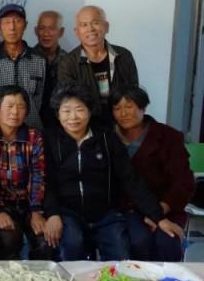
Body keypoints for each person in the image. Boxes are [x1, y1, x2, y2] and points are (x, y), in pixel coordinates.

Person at [42, 85, 184, 261]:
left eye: (79, 110)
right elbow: (45, 181)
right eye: (66, 111)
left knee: (121, 257)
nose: (73, 117)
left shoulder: (106, 138)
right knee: (72, 246)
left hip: (105, 214)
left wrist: (159, 217)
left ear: (89, 111)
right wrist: (52, 213)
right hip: (68, 214)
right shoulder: (49, 140)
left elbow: (130, 179)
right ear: (58, 114)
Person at [112, 86, 194, 261]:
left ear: (143, 107)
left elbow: (183, 181)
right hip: (126, 209)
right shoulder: (108, 138)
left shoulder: (168, 137)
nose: (123, 113)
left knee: (168, 242)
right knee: (139, 242)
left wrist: (159, 211)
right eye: (117, 108)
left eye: (129, 106)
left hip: (165, 206)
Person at [0, 85, 52, 260]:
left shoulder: (33, 137)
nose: (15, 112)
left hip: (28, 203)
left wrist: (36, 211)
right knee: (8, 240)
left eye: (21, 107)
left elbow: (38, 175)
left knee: (44, 241)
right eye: (9, 106)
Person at [58, 5, 139, 123]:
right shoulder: (67, 63)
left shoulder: (124, 56)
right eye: (84, 25)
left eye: (95, 22)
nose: (90, 29)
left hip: (121, 123)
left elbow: (133, 94)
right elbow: (69, 103)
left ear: (106, 27)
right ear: (77, 32)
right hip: (87, 126)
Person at [0, 4, 48, 129]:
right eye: (6, 22)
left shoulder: (40, 60)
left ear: (25, 25)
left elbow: (45, 102)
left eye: (17, 21)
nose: (12, 27)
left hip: (33, 133)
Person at [33, 10, 67, 128]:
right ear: (36, 31)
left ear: (61, 32)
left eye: (52, 28)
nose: (46, 34)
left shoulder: (69, 62)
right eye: (42, 28)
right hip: (32, 125)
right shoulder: (27, 59)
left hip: (61, 125)